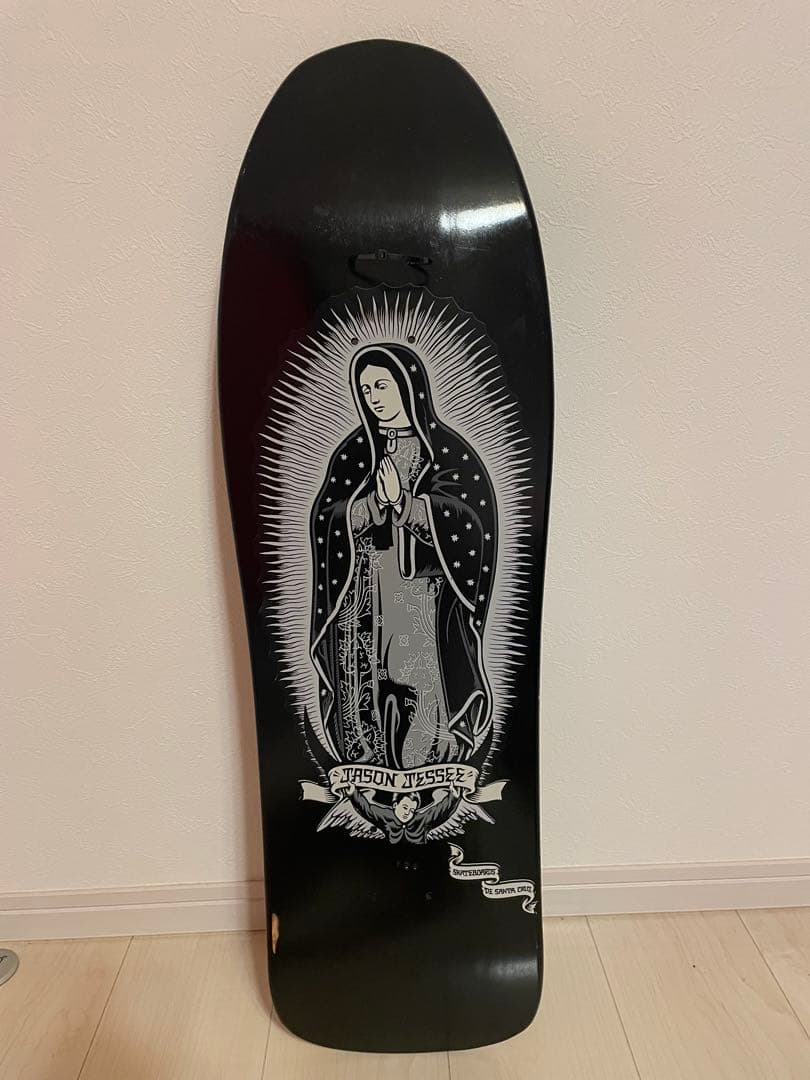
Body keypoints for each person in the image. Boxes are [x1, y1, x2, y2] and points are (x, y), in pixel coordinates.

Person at [310, 342, 498, 777]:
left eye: (382, 385)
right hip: (362, 591)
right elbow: (326, 517)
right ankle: (368, 767)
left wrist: (408, 504)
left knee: (418, 682)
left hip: (420, 594)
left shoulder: (446, 451)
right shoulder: (356, 452)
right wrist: (374, 503)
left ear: (408, 385)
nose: (373, 397)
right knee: (367, 682)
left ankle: (427, 768)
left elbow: (470, 520)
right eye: (365, 389)